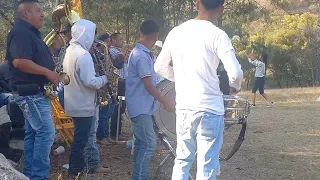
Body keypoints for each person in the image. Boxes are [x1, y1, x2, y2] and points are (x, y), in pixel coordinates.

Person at [154, 0, 243, 179]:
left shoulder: (176, 33)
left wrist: (179, 77)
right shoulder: (218, 35)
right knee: (207, 163)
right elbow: (235, 73)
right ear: (221, 9)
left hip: (185, 107)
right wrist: (235, 87)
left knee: (182, 159)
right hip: (210, 107)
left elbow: (159, 68)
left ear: (196, 4)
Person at [5, 0, 61, 179]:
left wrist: (53, 49)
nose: (42, 14)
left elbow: (33, 57)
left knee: (33, 134)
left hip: (33, 93)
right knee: (46, 133)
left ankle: (29, 174)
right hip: (31, 93)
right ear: (25, 13)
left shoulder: (30, 33)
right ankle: (39, 176)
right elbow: (19, 62)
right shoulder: (21, 32)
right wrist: (47, 72)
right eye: (38, 11)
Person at [126, 20, 175, 180]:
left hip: (142, 106)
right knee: (148, 144)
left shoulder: (141, 53)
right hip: (140, 108)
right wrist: (165, 101)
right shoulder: (141, 55)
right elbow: (148, 85)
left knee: (142, 145)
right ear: (156, 36)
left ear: (141, 32)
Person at [63, 19, 110, 178]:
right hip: (83, 104)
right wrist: (105, 78)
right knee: (80, 141)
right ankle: (76, 172)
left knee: (81, 139)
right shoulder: (83, 55)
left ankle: (82, 168)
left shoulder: (70, 50)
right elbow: (90, 81)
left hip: (74, 102)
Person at [95, 33, 116, 145]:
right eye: (107, 41)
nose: (109, 43)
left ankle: (106, 135)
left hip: (106, 84)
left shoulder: (106, 53)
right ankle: (100, 136)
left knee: (108, 112)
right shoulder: (96, 53)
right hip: (101, 84)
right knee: (103, 113)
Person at [109, 33, 128, 140]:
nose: (122, 41)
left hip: (124, 83)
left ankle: (118, 131)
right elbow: (118, 65)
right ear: (113, 40)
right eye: (120, 39)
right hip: (118, 83)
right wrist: (122, 54)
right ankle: (114, 133)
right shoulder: (112, 51)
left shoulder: (118, 52)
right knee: (118, 106)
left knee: (122, 106)